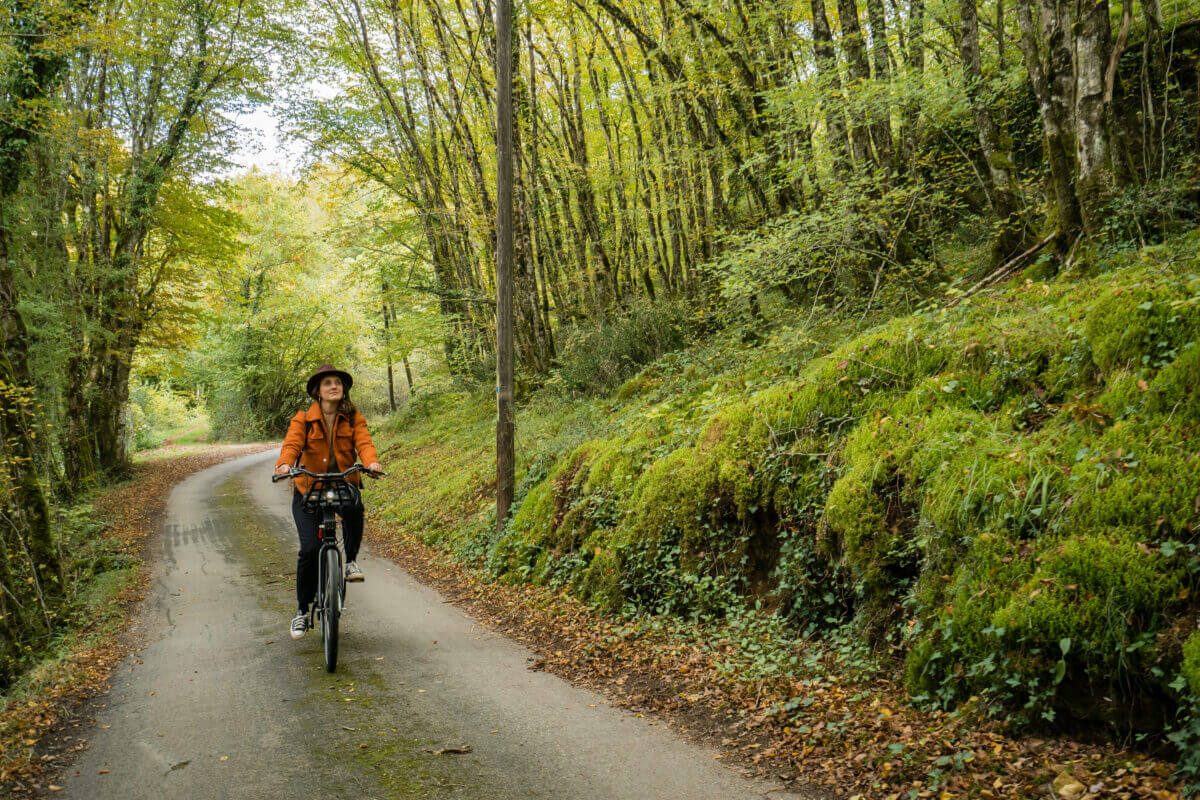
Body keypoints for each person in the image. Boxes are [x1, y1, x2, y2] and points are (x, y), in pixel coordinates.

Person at [274, 364, 383, 639]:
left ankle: (351, 562)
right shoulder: (303, 419)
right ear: (318, 392)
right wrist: (285, 465)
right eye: (327, 384)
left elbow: (365, 443)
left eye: (337, 383)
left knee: (354, 507)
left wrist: (371, 463)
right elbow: (292, 445)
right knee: (309, 549)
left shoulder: (353, 417)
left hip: (342, 483)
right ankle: (301, 610)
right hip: (308, 488)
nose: (334, 387)